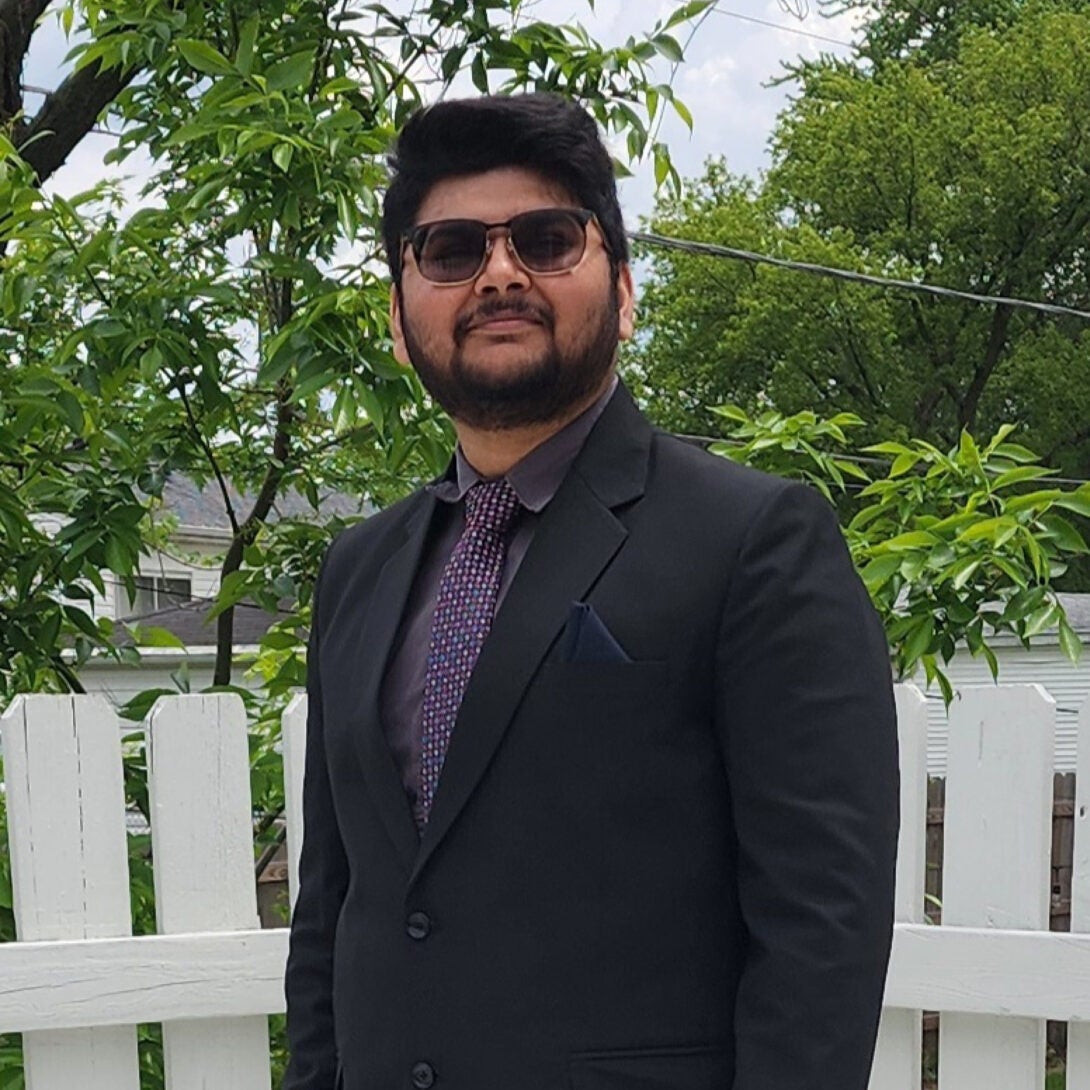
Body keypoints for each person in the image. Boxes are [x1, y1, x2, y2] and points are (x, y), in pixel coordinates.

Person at [283, 92, 899, 1090]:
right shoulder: (359, 568)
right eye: (448, 251)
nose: (498, 274)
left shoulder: (754, 543)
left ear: (622, 291)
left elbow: (820, 934)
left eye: (545, 238)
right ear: (398, 318)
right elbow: (334, 906)